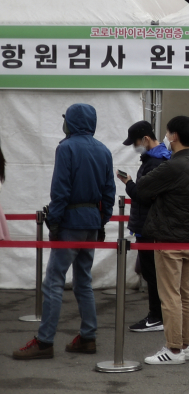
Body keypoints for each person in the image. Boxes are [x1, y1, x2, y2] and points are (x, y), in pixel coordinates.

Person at [11, 104, 114, 361]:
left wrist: (54, 222)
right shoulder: (104, 150)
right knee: (84, 281)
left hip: (70, 222)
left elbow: (60, 190)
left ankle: (45, 341)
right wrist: (102, 221)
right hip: (92, 223)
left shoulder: (66, 148)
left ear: (72, 122)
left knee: (54, 282)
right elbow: (109, 192)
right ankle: (88, 337)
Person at [133, 115, 189, 366]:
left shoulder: (174, 165)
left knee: (170, 296)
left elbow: (142, 187)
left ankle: (173, 349)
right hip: (187, 236)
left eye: (167, 133)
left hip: (168, 236)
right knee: (185, 293)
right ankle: (185, 345)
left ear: (173, 136)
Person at [122, 120, 171, 333]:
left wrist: (129, 184)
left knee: (152, 273)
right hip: (148, 225)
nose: (135, 147)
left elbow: (144, 194)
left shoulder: (155, 162)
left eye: (135, 142)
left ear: (146, 139)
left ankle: (156, 316)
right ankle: (157, 315)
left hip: (149, 226)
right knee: (152, 272)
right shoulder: (154, 159)